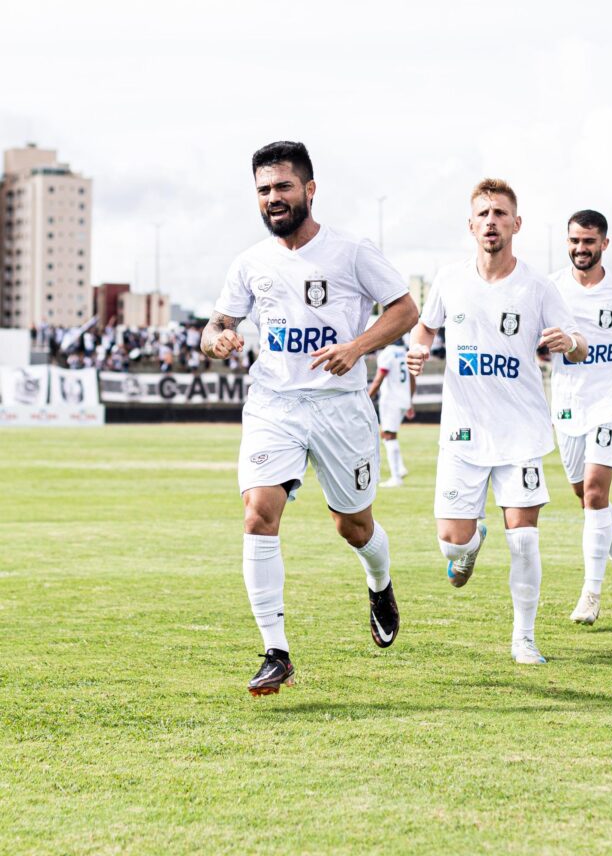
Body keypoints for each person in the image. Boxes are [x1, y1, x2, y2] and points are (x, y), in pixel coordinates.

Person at [202, 141, 418, 696]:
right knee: (258, 512)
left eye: (283, 187)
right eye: (264, 190)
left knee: (354, 526)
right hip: (275, 404)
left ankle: (379, 581)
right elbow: (216, 324)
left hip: (340, 407)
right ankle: (276, 652)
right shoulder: (250, 263)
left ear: (309, 190)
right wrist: (217, 338)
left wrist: (357, 346)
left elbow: (404, 310)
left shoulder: (350, 252)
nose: (273, 198)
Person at [406, 178, 586, 665]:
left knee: (524, 537)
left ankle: (523, 638)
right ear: (471, 225)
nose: (492, 221)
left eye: (500, 214)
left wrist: (569, 343)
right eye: (483, 214)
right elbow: (425, 324)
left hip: (522, 430)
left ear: (516, 224)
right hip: (462, 431)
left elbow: (578, 340)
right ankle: (470, 544)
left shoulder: (538, 286)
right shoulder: (449, 279)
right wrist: (419, 346)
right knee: (451, 544)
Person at [549, 210, 612, 626]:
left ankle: (591, 594)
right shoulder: (552, 288)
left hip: (611, 402)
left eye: (588, 242)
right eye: (574, 241)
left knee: (595, 490)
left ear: (604, 244)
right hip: (568, 403)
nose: (580, 249)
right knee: (585, 496)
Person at [368, 338, 416, 487]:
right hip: (403, 399)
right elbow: (413, 379)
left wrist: (367, 398)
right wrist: (409, 400)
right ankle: (400, 468)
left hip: (391, 400)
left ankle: (396, 478)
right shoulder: (405, 352)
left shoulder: (387, 354)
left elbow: (378, 379)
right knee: (387, 434)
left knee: (389, 436)